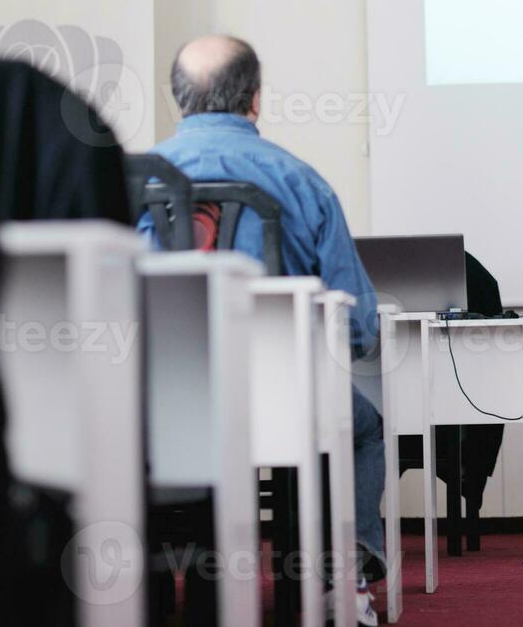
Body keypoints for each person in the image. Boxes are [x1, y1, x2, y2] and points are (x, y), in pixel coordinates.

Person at [138, 35, 384, 624]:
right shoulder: (302, 182)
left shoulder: (133, 183)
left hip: (165, 406)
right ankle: (339, 581)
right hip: (284, 404)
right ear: (255, 99)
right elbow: (359, 328)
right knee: (362, 426)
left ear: (179, 103)